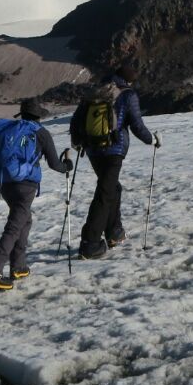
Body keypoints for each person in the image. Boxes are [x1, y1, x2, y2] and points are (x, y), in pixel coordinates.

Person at [0, 98, 73, 291]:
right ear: (38, 115)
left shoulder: (7, 129)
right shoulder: (41, 132)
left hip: (3, 181)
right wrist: (67, 166)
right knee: (15, 225)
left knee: (25, 219)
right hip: (26, 185)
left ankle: (18, 266)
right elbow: (54, 164)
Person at [71, 65, 159, 259]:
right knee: (104, 193)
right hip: (113, 150)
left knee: (112, 189)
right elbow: (136, 125)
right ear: (129, 80)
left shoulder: (96, 91)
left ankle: (114, 233)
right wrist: (152, 139)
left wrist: (78, 142)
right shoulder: (128, 95)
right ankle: (90, 243)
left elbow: (76, 119)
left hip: (93, 149)